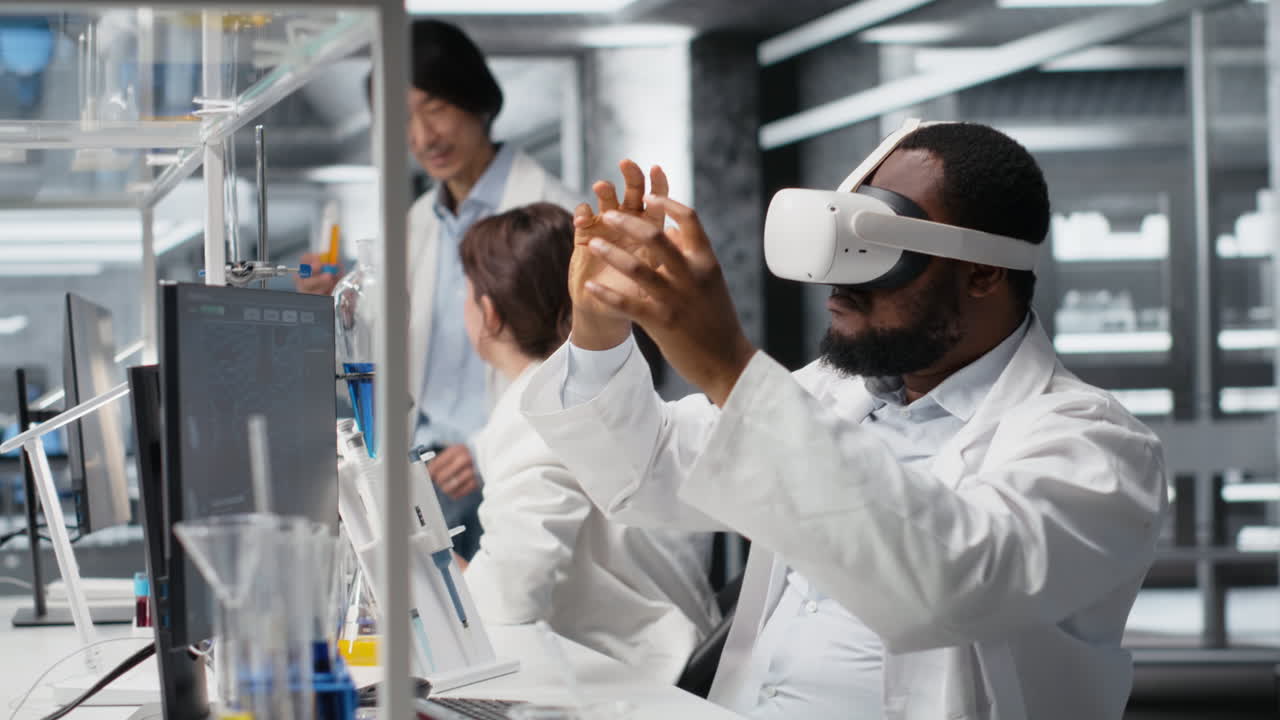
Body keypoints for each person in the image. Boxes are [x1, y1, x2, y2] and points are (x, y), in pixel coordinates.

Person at [519, 123, 1168, 719]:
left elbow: (949, 585)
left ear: (982, 271)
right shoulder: (835, 394)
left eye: (879, 246)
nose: (838, 282)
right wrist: (598, 329)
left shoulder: (1097, 447)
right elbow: (649, 473)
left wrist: (729, 368)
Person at [297, 20, 578, 559]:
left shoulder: (554, 214)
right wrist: (339, 307)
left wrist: (486, 448)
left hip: (514, 465)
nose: (424, 137)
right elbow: (386, 352)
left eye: (436, 108)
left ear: (477, 100)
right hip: (426, 471)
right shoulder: (417, 224)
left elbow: (582, 364)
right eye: (402, 119)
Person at [452, 202, 720, 681]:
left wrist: (423, 565)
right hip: (681, 650)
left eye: (467, 292)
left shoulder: (537, 408)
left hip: (636, 679)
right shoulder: (596, 394)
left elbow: (507, 599)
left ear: (489, 313)